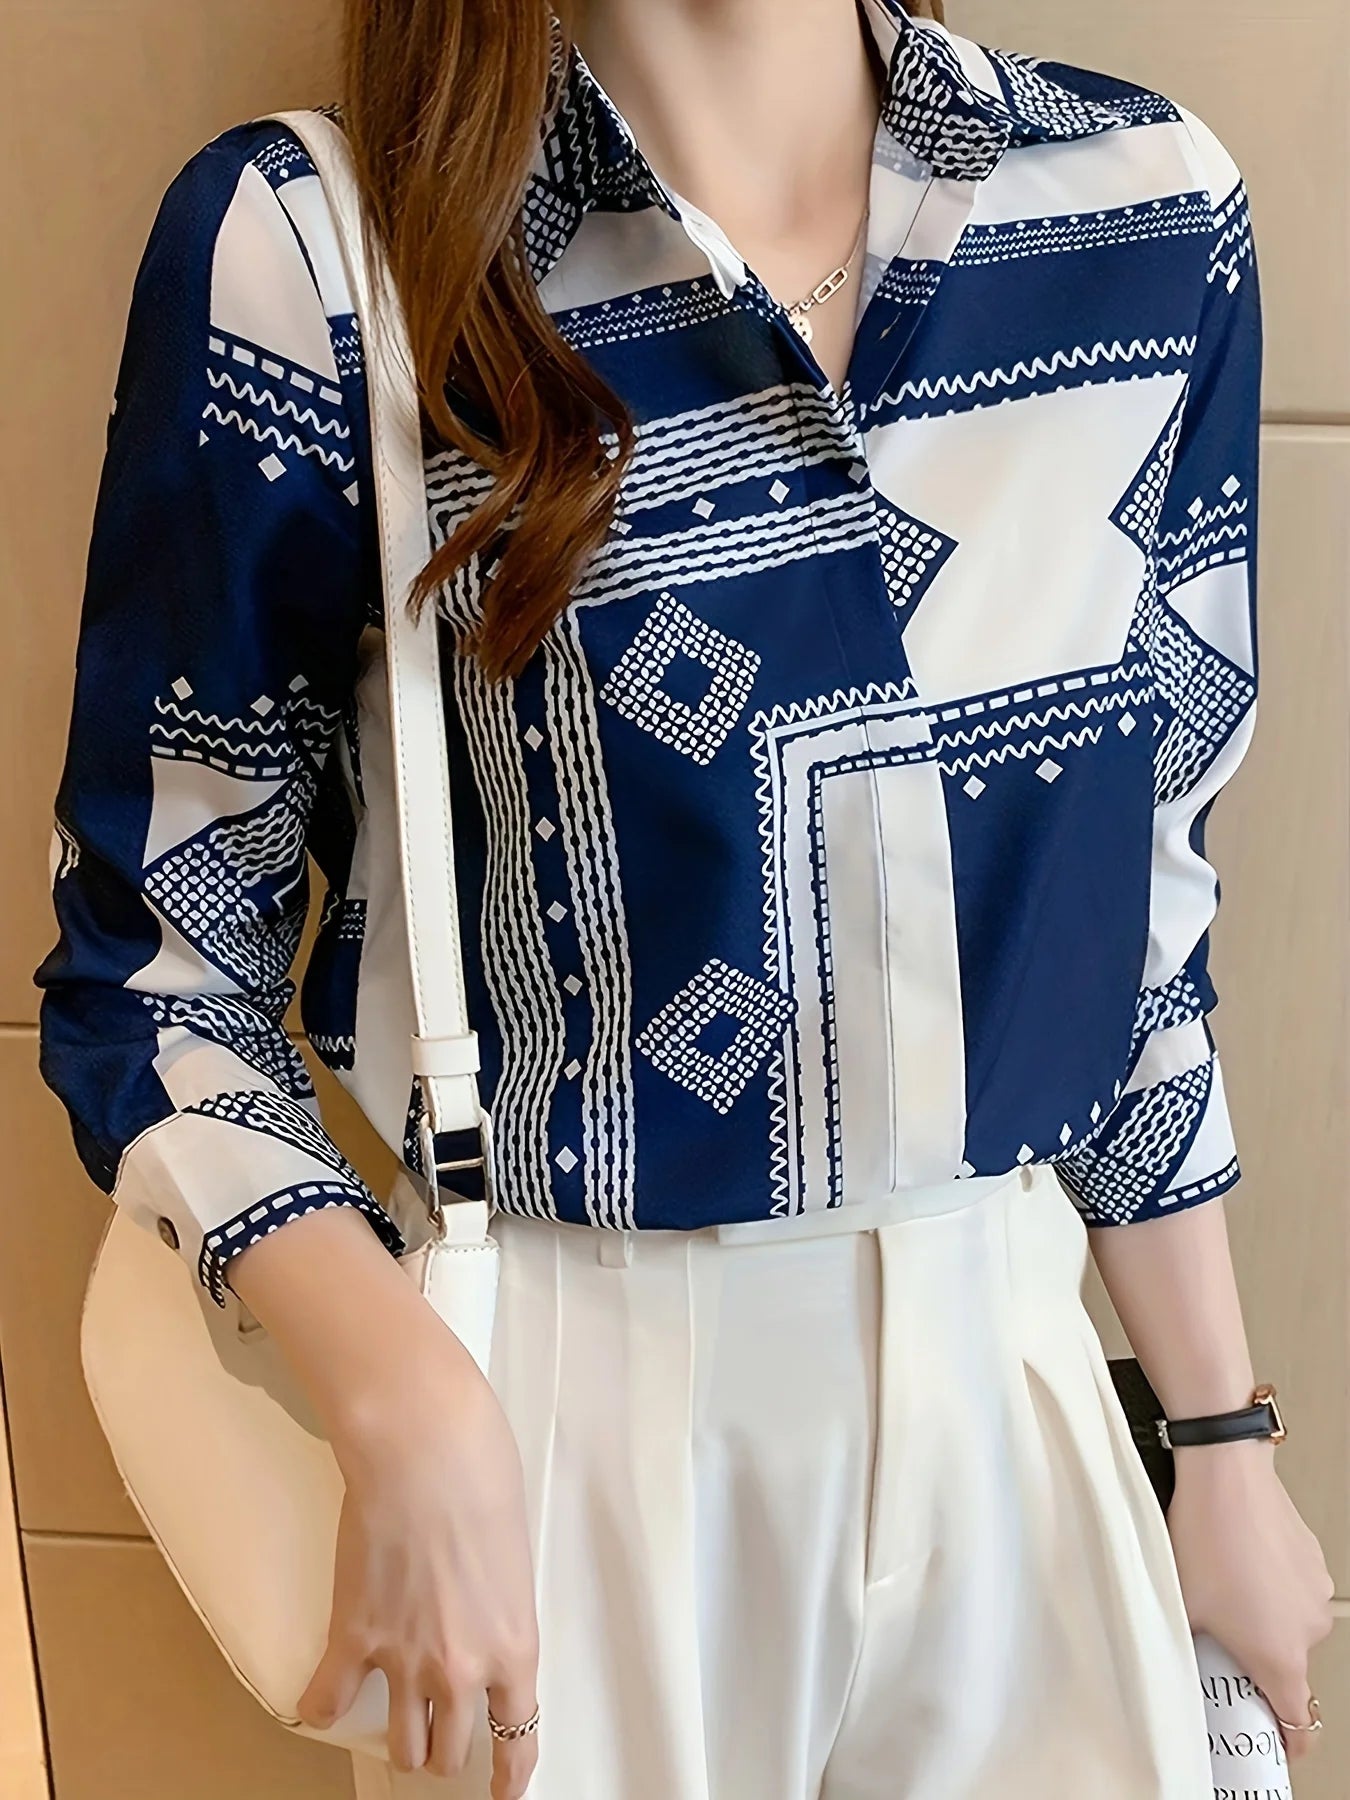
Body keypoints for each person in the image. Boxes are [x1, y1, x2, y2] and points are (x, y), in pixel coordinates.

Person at [34, 1, 1334, 1796]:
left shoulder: (1140, 211)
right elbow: (158, 964)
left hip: (1015, 1380)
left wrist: (1221, 1439)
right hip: (570, 1421)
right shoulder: (320, 256)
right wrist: (399, 1390)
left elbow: (1143, 932)